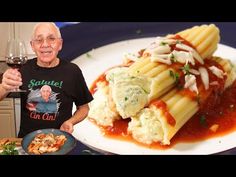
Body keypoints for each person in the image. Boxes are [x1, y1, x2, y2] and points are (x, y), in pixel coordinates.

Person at [0, 22, 93, 138]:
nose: (45, 44)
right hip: (26, 141)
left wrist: (70, 122)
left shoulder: (72, 71)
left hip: (59, 141)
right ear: (32, 45)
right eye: (39, 40)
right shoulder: (22, 68)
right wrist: (4, 87)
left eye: (51, 39)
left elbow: (84, 108)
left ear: (60, 44)